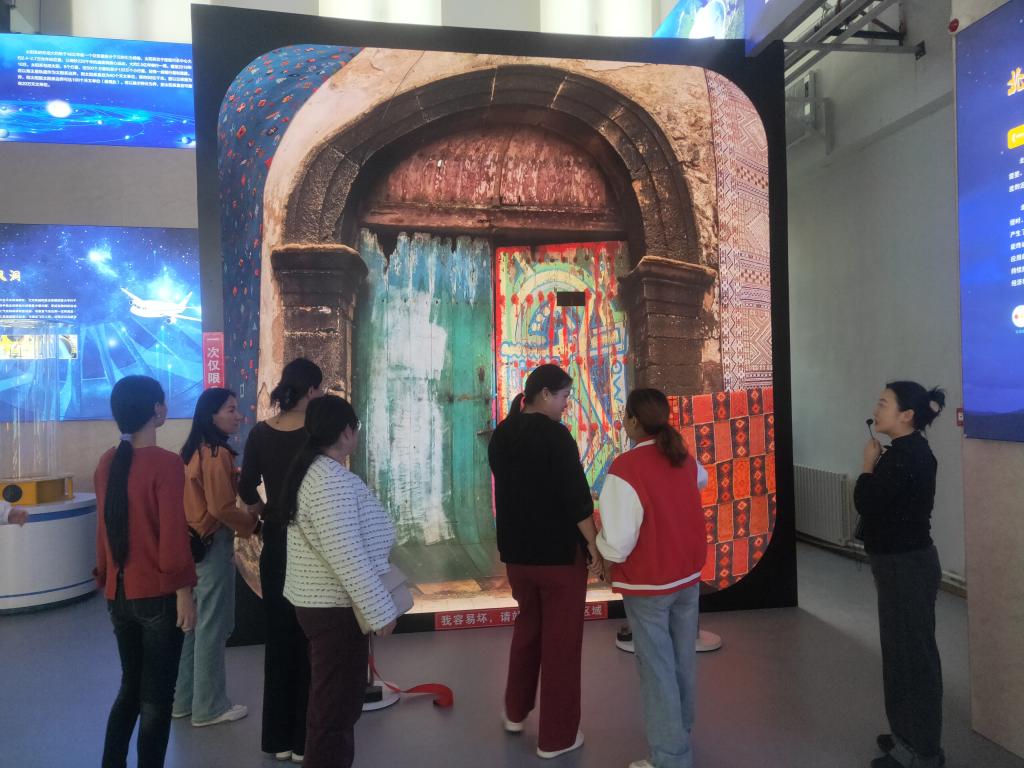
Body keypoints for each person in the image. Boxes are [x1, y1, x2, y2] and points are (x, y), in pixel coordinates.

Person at [487, 363, 601, 760]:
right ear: (546, 394)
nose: (567, 404)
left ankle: (515, 712)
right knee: (562, 645)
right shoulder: (556, 437)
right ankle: (556, 737)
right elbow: (576, 499)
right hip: (558, 558)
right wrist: (595, 545)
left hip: (518, 556)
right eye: (565, 396)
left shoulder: (502, 435)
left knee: (528, 628)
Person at [281, 394, 398, 768]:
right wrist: (380, 611)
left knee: (335, 703)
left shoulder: (314, 471)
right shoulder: (330, 481)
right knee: (335, 709)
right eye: (356, 428)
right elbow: (346, 554)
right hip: (334, 609)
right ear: (347, 431)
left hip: (323, 606)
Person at [595, 388, 707, 768]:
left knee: (657, 669)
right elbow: (702, 479)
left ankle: (670, 757)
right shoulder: (682, 457)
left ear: (632, 421)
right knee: (682, 660)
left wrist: (599, 546)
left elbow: (618, 544)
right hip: (686, 577)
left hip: (649, 583)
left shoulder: (626, 468)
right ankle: (680, 733)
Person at [93, 375, 197, 768]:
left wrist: (106, 576)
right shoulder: (166, 463)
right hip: (158, 597)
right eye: (163, 402)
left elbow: (104, 531)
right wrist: (183, 591)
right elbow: (173, 535)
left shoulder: (107, 463)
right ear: (156, 410)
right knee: (156, 699)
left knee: (130, 690)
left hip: (118, 596)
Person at [856, 381, 946, 768]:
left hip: (906, 566)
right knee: (900, 654)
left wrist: (867, 466)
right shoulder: (903, 452)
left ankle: (923, 751)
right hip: (898, 563)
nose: (876, 409)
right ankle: (905, 735)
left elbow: (866, 502)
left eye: (884, 403)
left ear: (906, 415)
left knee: (912, 658)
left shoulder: (909, 457)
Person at [239, 357, 323, 763]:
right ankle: (305, 740)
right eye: (320, 389)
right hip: (311, 543)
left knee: (278, 640)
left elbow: (246, 487)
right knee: (310, 639)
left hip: (275, 540)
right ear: (311, 391)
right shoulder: (316, 434)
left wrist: (262, 515)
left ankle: (277, 740)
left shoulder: (260, 433)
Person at [172, 387, 259, 727]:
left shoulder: (192, 449)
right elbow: (221, 507)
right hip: (211, 545)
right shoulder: (215, 453)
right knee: (212, 626)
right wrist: (253, 525)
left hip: (192, 545)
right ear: (212, 415)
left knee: (194, 626)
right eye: (231, 410)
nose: (238, 416)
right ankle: (209, 706)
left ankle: (184, 700)